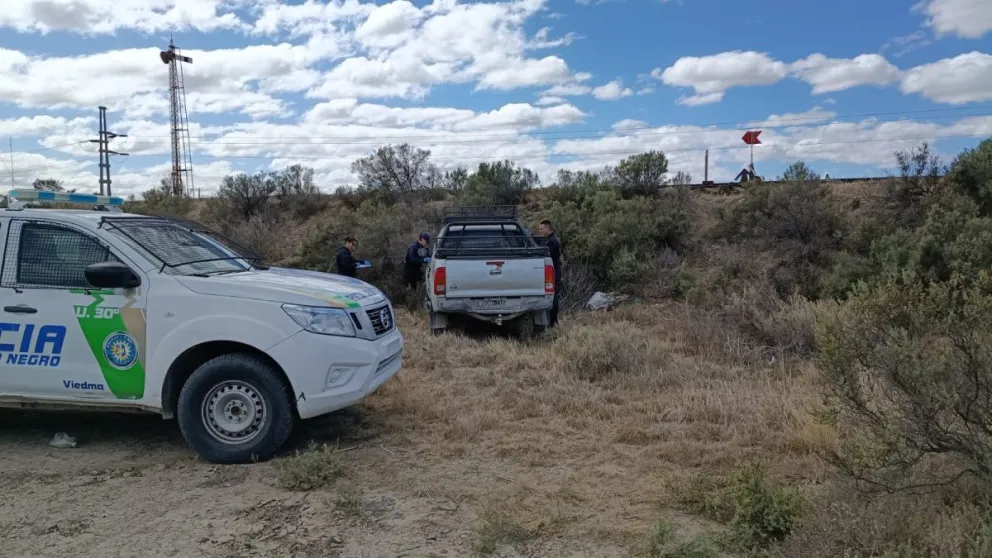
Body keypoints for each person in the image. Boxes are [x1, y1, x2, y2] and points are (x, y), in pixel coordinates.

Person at [538, 219, 562, 328]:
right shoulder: (551, 239)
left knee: (554, 297)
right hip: (554, 272)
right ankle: (552, 320)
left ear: (548, 228)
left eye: (542, 228)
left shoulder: (552, 241)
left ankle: (553, 321)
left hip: (554, 273)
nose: (540, 230)